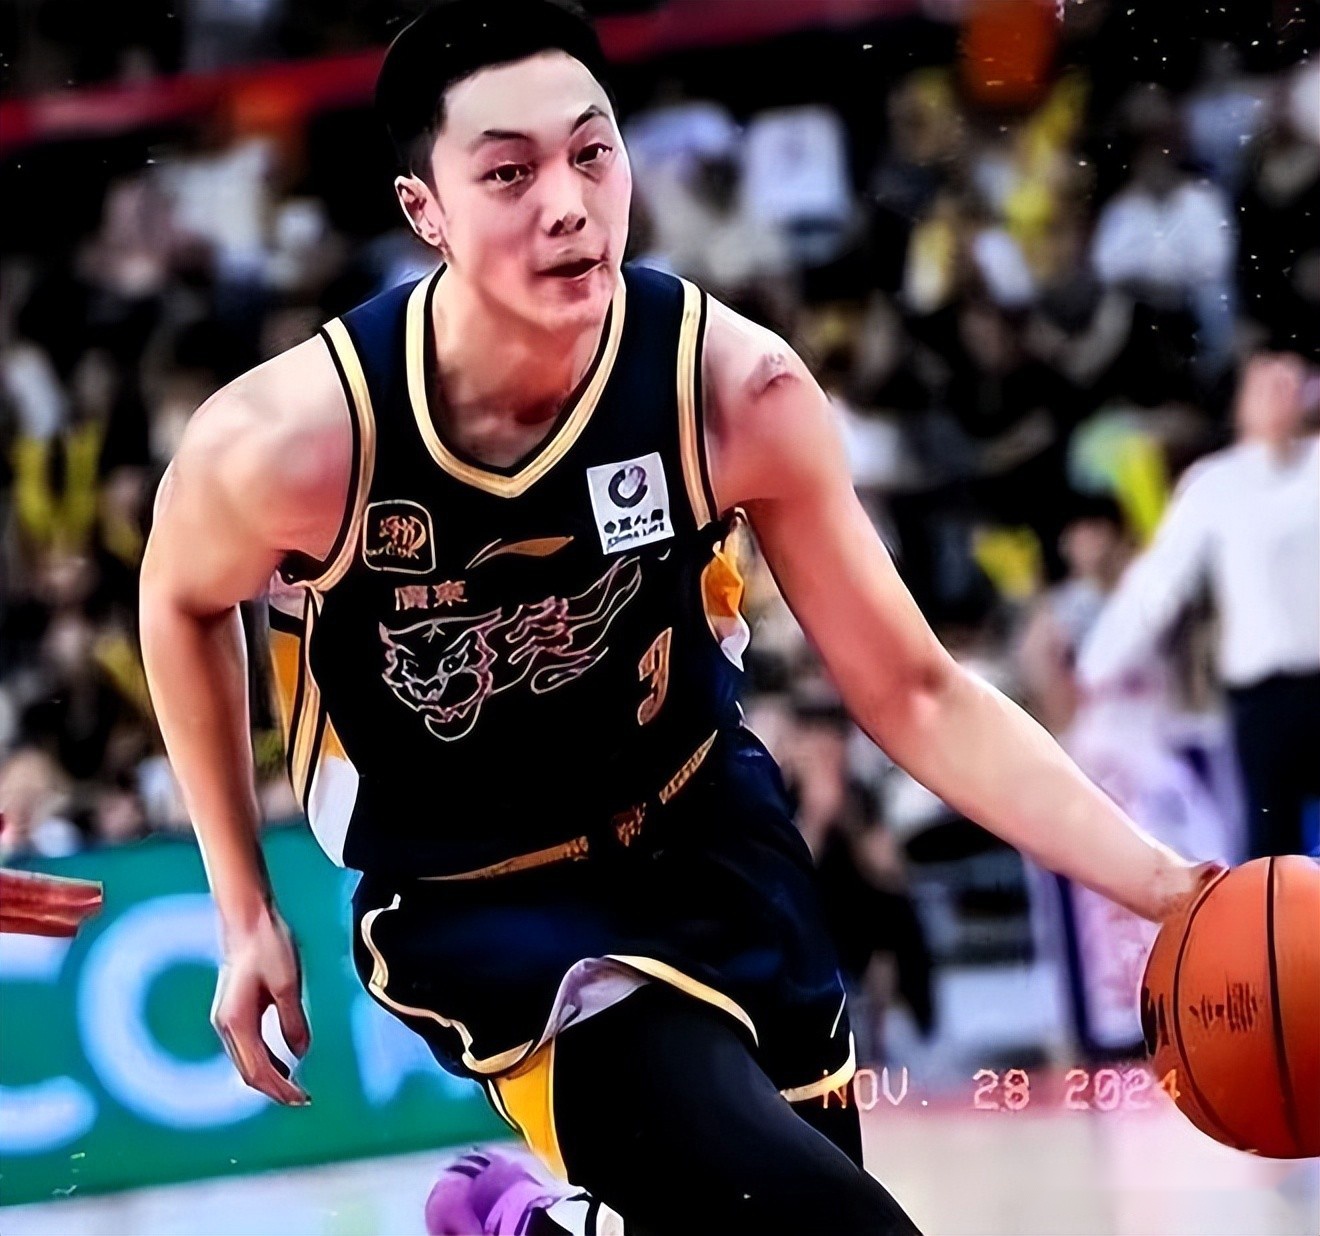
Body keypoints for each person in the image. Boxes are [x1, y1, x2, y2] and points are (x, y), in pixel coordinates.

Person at [140, 4, 1212, 1233]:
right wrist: (243, 908)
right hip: (489, 901)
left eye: (592, 153)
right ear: (422, 210)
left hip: (711, 836)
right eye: (509, 174)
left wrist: (1168, 886)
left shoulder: (730, 390)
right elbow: (177, 599)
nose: (568, 204)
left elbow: (915, 692)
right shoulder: (296, 443)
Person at [1079, 353, 1319, 859]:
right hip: (1264, 699)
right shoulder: (1216, 485)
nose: (1279, 396)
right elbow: (1160, 581)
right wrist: (1100, 661)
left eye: (1289, 383)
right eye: (1265, 386)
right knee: (1272, 854)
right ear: (1241, 404)